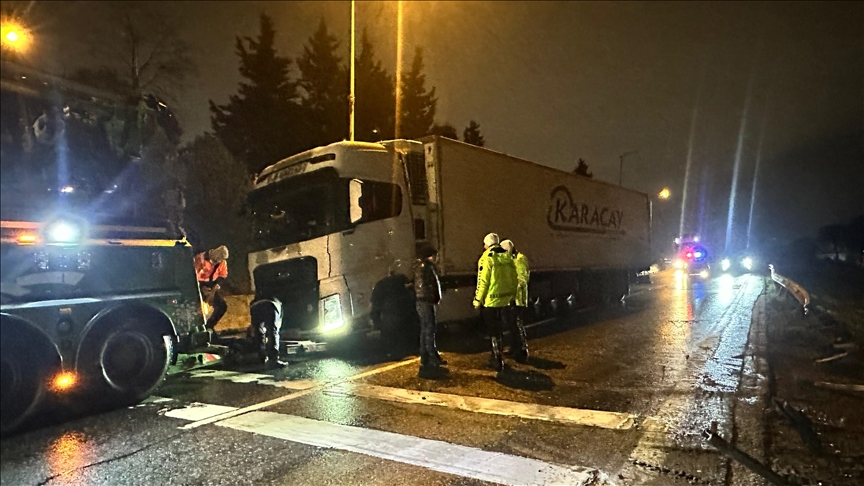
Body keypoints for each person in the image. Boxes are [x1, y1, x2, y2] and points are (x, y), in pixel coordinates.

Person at [473, 233, 517, 371]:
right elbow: (513, 278)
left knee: (493, 331)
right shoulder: (507, 257)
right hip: (504, 299)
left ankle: (496, 359)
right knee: (499, 329)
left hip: (491, 301)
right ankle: (500, 356)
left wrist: (477, 300)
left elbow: (483, 282)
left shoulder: (486, 258)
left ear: (488, 244)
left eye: (484, 244)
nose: (484, 246)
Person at [413, 244, 446, 374]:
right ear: (430, 256)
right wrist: (433, 298)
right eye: (435, 255)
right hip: (426, 302)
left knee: (425, 329)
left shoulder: (421, 267)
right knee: (429, 329)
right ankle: (432, 356)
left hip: (423, 302)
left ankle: (425, 356)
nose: (437, 258)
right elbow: (426, 286)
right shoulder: (425, 268)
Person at [500, 239, 530, 363]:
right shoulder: (509, 259)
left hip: (517, 298)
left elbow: (522, 278)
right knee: (511, 324)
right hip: (509, 298)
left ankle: (522, 349)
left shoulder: (520, 259)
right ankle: (514, 347)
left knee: (517, 323)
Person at [194, 245, 229, 337]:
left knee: (222, 306)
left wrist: (217, 286)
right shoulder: (200, 259)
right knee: (197, 309)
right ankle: (197, 329)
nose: (215, 263)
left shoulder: (222, 262)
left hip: (212, 285)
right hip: (197, 285)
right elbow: (192, 275)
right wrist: (201, 288)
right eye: (214, 261)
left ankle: (209, 326)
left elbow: (222, 275)